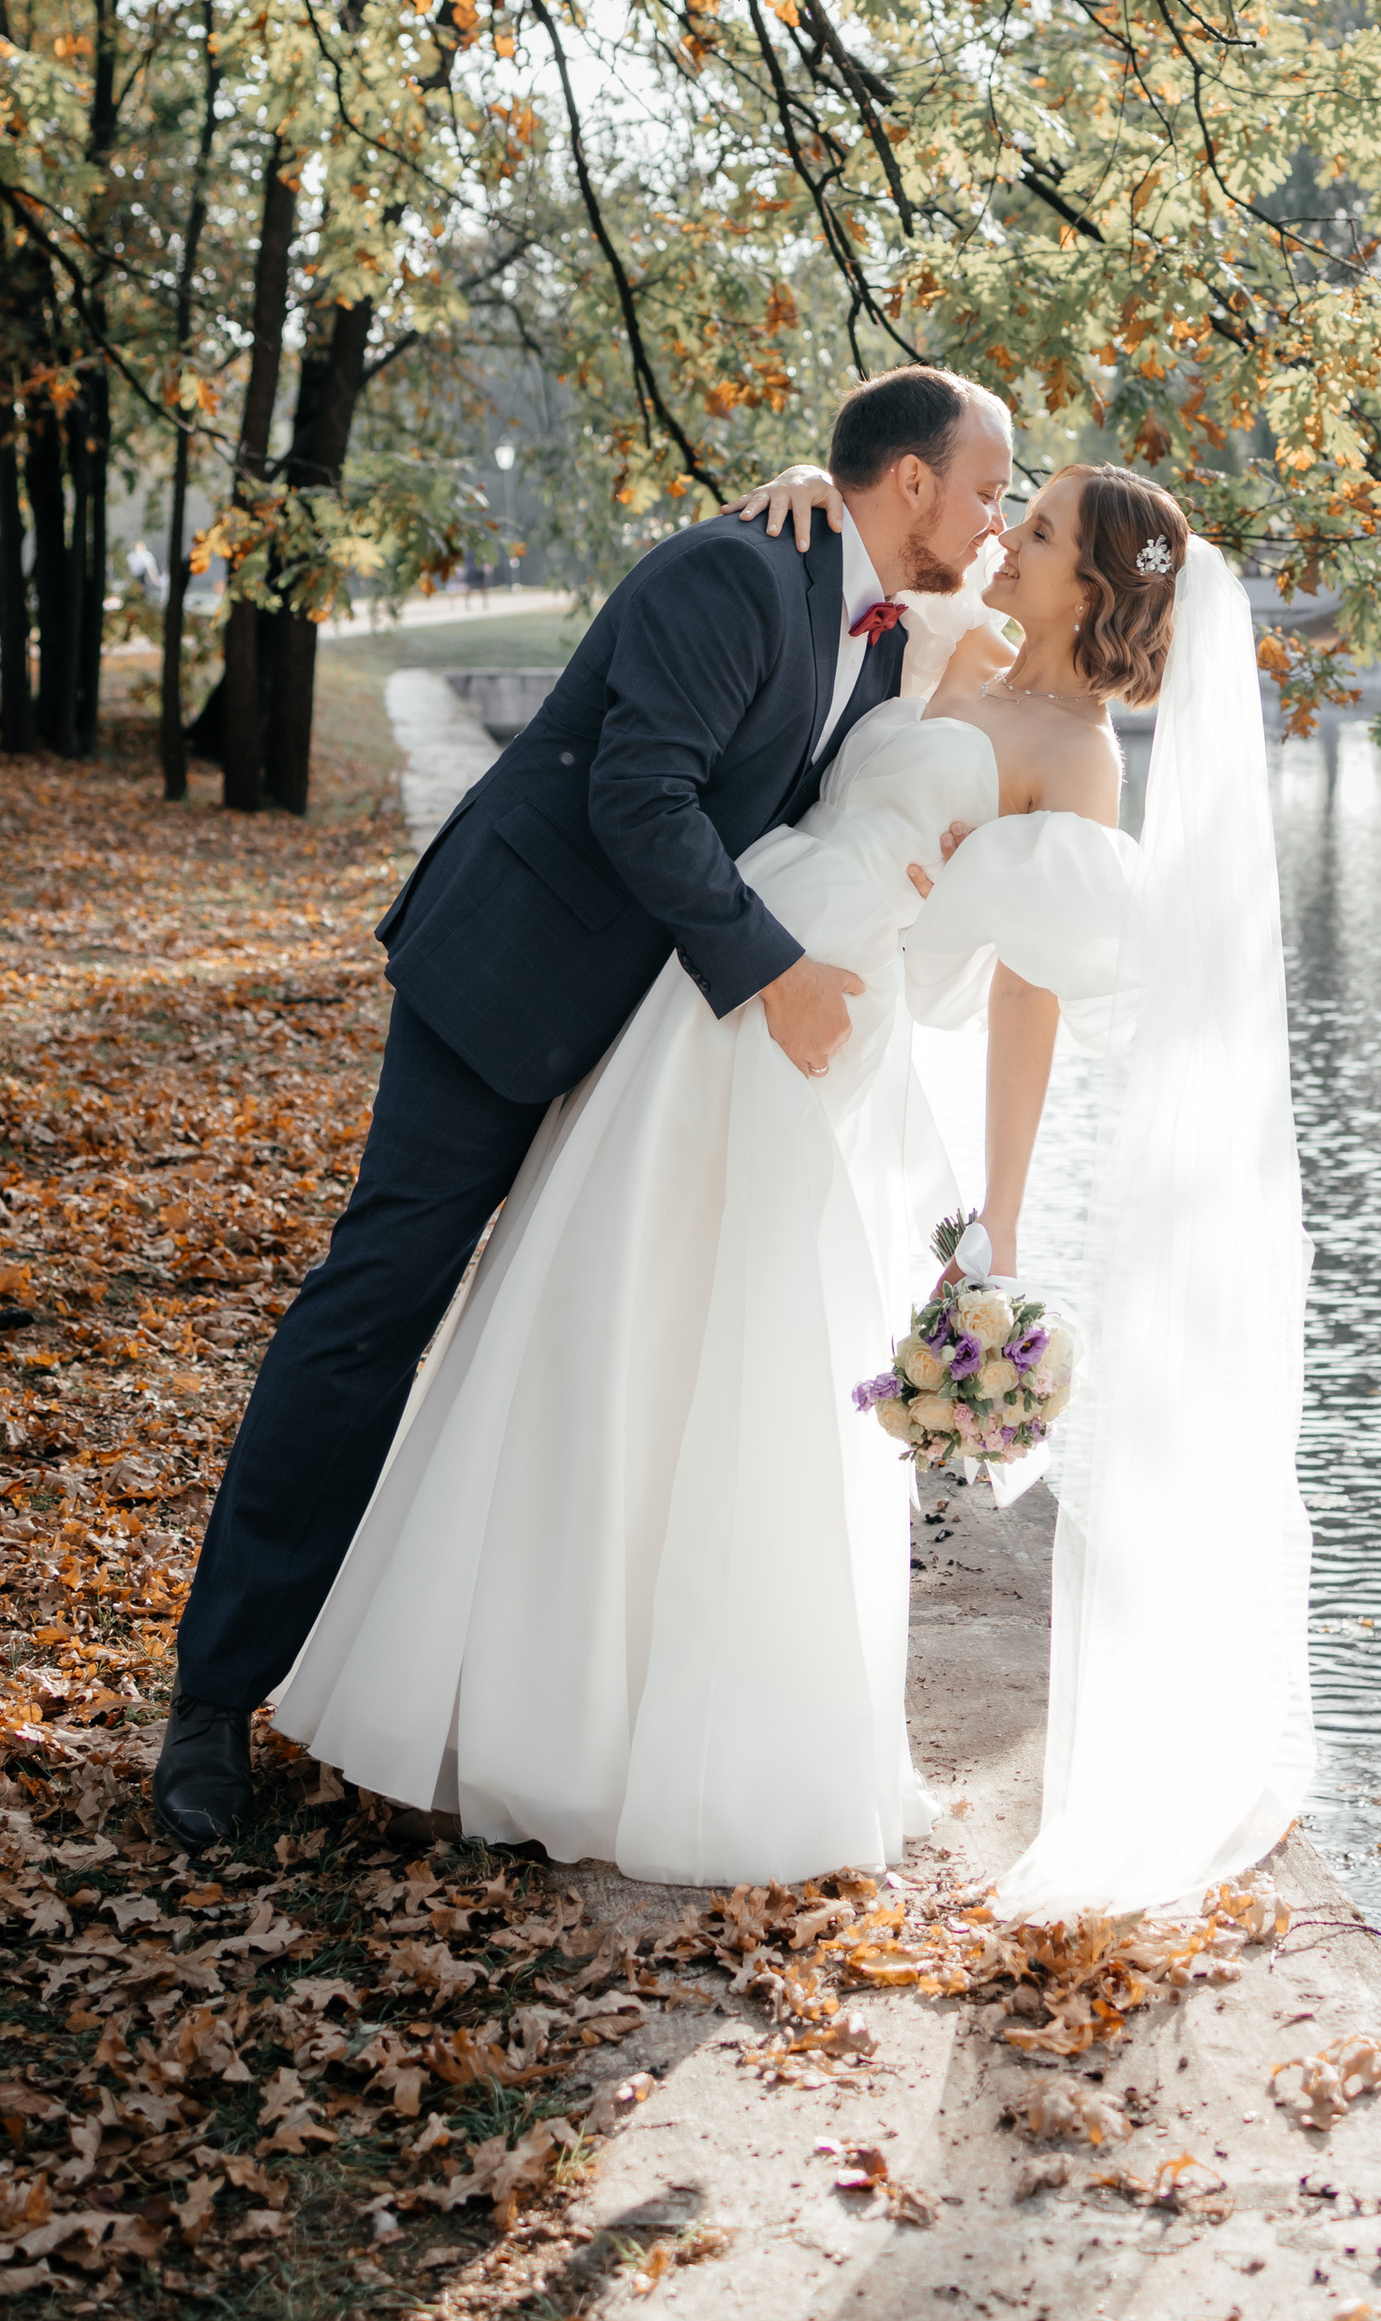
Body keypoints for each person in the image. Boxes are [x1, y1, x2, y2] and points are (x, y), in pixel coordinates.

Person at [262, 456, 1314, 1914]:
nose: (1009, 531)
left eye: (1046, 527)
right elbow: (868, 568)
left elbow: (1029, 998)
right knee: (599, 1303)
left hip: (824, 1017)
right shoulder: (949, 642)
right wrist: (809, 474)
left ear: (1092, 584)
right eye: (1009, 504)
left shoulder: (1080, 762)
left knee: (742, 1345)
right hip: (723, 976)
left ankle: (691, 1743)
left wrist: (999, 1221)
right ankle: (517, 1699)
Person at [149, 364, 1015, 1852]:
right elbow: (640, 796)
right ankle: (212, 1700)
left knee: (552, 1359)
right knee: (376, 1314)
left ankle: (476, 1695)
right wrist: (774, 976)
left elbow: (818, 808)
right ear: (915, 482)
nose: (999, 518)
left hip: (647, 1047)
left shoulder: (876, 637)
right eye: (990, 487)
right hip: (511, 981)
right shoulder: (734, 570)